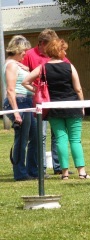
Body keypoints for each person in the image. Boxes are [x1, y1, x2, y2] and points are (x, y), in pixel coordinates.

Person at [22, 39, 90, 180]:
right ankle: (81, 171)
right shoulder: (69, 67)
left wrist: (36, 90)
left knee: (60, 139)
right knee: (75, 139)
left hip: (53, 108)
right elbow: (78, 88)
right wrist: (82, 104)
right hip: (72, 106)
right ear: (58, 51)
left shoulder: (43, 67)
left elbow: (25, 81)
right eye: (64, 50)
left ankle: (64, 173)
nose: (65, 52)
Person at [22, 29, 65, 176]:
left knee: (57, 133)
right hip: (40, 101)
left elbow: (67, 67)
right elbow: (24, 75)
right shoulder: (29, 55)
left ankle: (59, 167)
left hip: (57, 98)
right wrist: (38, 91)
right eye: (50, 45)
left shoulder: (57, 53)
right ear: (41, 43)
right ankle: (41, 169)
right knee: (41, 135)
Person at [2, 35, 39, 181]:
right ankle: (20, 173)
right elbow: (11, 90)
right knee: (22, 139)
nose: (25, 54)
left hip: (26, 103)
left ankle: (32, 170)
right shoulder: (11, 65)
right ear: (17, 49)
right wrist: (16, 113)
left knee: (34, 137)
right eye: (24, 51)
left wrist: (27, 69)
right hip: (19, 102)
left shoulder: (15, 64)